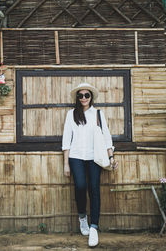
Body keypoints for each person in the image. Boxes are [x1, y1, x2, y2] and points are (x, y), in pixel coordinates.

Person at [62, 83, 117, 247]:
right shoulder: (71, 114)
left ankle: (94, 227)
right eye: (81, 95)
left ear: (91, 97)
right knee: (80, 186)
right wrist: (66, 163)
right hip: (76, 156)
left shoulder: (98, 114)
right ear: (77, 98)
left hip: (95, 157)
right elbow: (66, 140)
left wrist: (111, 157)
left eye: (87, 95)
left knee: (94, 189)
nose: (84, 98)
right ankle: (82, 217)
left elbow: (107, 137)